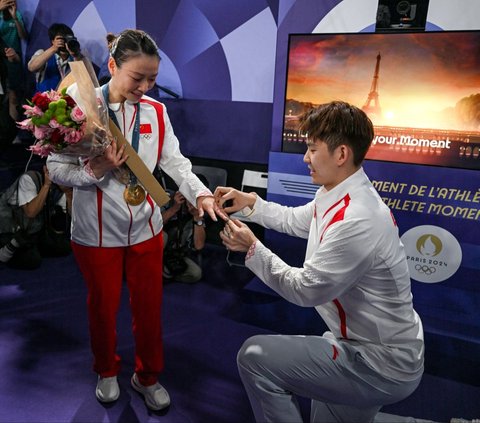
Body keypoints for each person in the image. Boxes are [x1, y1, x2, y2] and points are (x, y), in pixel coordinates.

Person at [215, 101, 424, 423]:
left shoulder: (358, 218)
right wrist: (250, 205)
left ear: (341, 154)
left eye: (312, 149)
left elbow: (306, 290)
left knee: (255, 357)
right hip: (371, 349)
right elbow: (297, 220)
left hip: (378, 362)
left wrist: (252, 248)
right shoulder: (341, 193)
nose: (305, 158)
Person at [46, 29, 222, 411]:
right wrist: (95, 170)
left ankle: (147, 376)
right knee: (102, 308)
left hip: (146, 228)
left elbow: (175, 163)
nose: (145, 87)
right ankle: (106, 370)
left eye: (152, 79)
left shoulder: (157, 112)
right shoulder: (77, 104)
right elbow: (55, 167)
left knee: (149, 307)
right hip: (95, 233)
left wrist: (201, 194)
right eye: (137, 78)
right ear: (112, 66)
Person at [0, 165, 72, 269]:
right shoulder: (29, 178)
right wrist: (46, 185)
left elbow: (72, 216)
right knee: (32, 261)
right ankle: (7, 247)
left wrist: (68, 193)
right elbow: (31, 212)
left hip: (34, 229)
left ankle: (32, 247)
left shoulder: (60, 187)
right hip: (10, 228)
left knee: (64, 248)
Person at [162, 189, 207, 283]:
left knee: (195, 274)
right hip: (159, 249)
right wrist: (174, 208)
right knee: (163, 236)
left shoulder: (201, 211)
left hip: (176, 253)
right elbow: (154, 225)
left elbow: (199, 246)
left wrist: (197, 217)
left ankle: (167, 275)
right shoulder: (169, 198)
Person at [27, 23, 83, 92]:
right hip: (45, 100)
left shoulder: (76, 58)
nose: (64, 43)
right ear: (52, 41)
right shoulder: (42, 53)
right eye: (61, 39)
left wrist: (76, 55)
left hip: (68, 100)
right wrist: (54, 48)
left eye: (66, 39)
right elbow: (32, 67)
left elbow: (85, 79)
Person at [0, 0, 26, 144]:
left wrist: (15, 17)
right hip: (1, 60)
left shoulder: (17, 15)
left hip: (13, 59)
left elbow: (23, 36)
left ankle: (13, 133)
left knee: (14, 96)